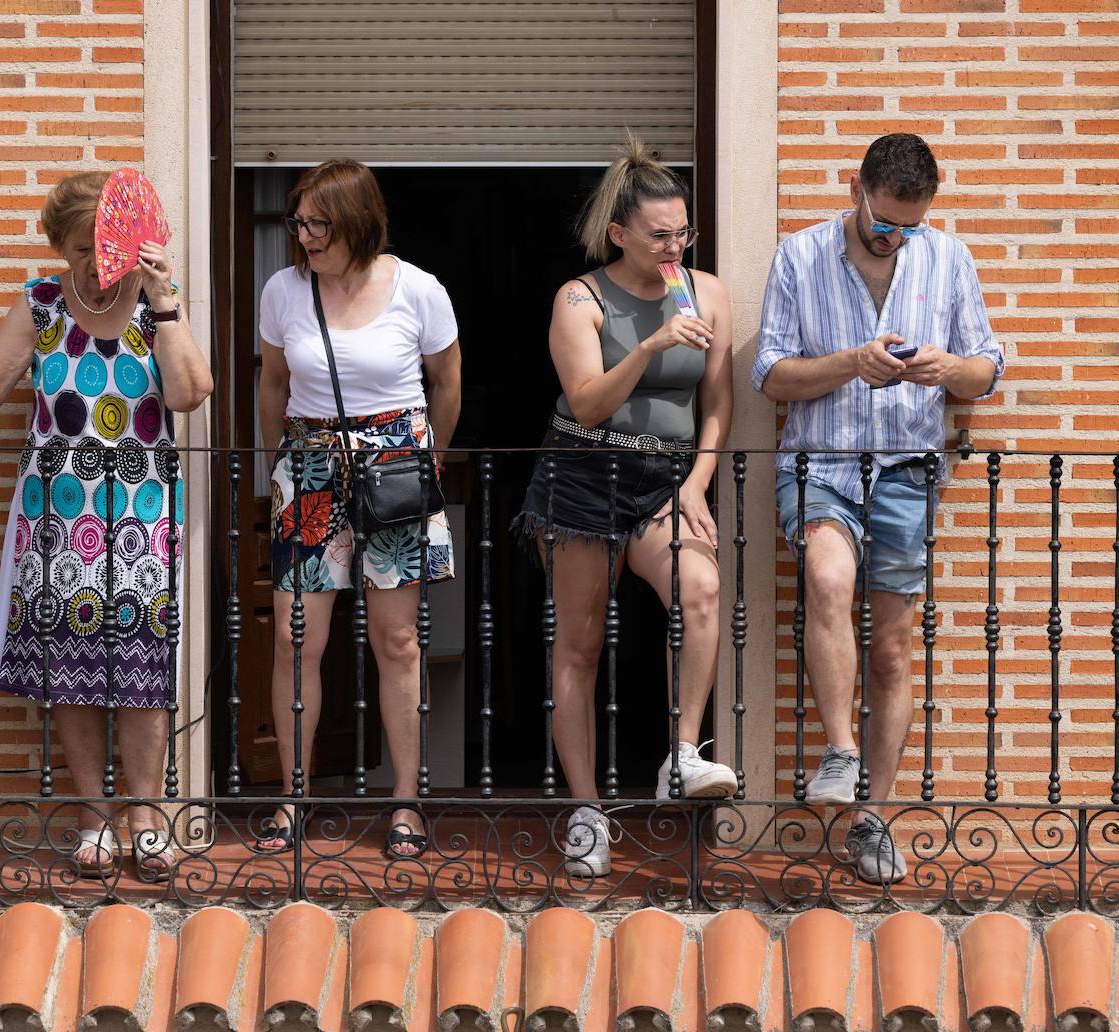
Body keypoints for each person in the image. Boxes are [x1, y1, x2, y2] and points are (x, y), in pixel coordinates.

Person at [0, 170, 214, 878]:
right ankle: (93, 819)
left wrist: (164, 304)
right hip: (59, 518)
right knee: (74, 673)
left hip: (141, 517)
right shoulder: (43, 303)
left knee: (141, 672)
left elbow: (192, 393)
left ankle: (146, 821)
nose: (92, 265)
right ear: (60, 245)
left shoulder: (155, 304)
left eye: (100, 250)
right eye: (78, 250)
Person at [754, 133, 1004, 884]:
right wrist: (850, 364)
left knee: (894, 649)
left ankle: (873, 820)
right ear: (855, 188)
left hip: (906, 472)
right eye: (885, 222)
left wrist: (948, 368)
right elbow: (770, 374)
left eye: (910, 226)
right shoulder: (799, 257)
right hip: (821, 466)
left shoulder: (947, 258)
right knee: (829, 580)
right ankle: (840, 750)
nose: (896, 237)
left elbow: (986, 367)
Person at [514, 135, 736, 878]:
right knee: (578, 645)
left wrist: (698, 482)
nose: (675, 246)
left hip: (666, 479)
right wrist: (645, 348)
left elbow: (717, 402)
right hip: (582, 472)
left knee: (700, 589)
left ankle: (681, 753)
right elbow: (589, 400)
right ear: (620, 234)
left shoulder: (704, 291)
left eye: (684, 232)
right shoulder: (580, 299)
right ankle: (585, 810)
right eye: (660, 235)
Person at [257, 159, 461, 859]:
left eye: (319, 223)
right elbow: (275, 383)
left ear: (359, 223)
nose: (305, 237)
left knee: (397, 641)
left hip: (394, 462)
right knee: (295, 639)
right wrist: (279, 470)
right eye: (299, 222)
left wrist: (428, 460)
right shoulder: (283, 290)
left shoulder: (419, 289)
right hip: (309, 463)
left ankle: (406, 800)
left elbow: (448, 382)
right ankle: (293, 795)